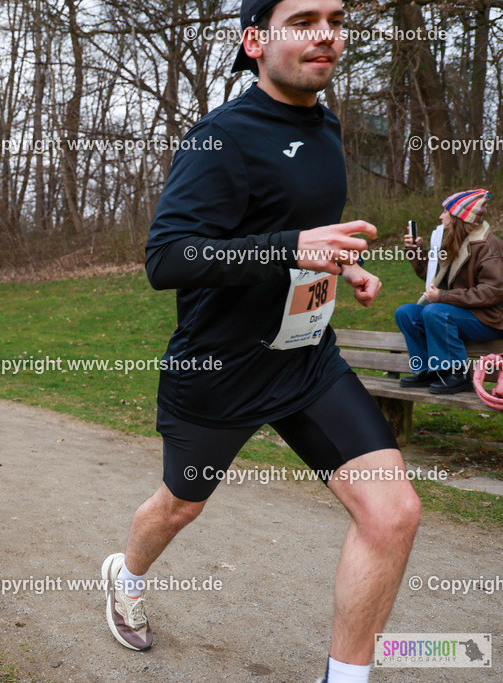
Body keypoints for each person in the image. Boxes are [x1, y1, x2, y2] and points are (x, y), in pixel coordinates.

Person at [101, 3, 422, 683]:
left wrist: (343, 262)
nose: (326, 32)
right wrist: (291, 247)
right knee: (180, 504)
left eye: (335, 18)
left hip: (306, 359)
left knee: (393, 513)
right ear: (255, 41)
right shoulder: (219, 138)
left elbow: (302, 230)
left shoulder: (327, 125)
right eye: (303, 18)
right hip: (221, 366)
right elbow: (168, 259)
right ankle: (126, 573)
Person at [395, 190, 503, 394]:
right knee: (406, 313)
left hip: (490, 318)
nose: (441, 216)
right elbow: (434, 277)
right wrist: (416, 250)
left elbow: (493, 291)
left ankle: (458, 375)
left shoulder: (488, 246)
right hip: (462, 312)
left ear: (459, 218)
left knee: (434, 311)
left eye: (445, 211)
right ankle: (428, 370)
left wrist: (443, 297)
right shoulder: (454, 241)